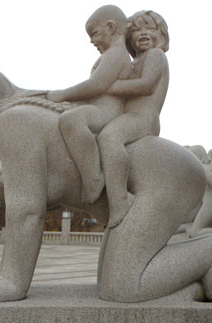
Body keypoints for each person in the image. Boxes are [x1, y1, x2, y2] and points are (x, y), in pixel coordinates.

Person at [47, 5, 132, 204]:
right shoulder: (110, 55)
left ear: (111, 28)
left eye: (94, 34)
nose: (92, 41)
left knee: (72, 120)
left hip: (107, 112)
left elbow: (96, 85)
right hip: (98, 108)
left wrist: (63, 95)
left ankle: (94, 178)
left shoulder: (117, 54)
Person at [97, 10, 170, 228]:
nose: (142, 33)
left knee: (109, 137)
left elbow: (146, 85)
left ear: (162, 34)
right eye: (136, 30)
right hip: (128, 115)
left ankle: (120, 199)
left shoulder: (156, 56)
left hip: (143, 117)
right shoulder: (135, 60)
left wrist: (109, 87)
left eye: (149, 28)